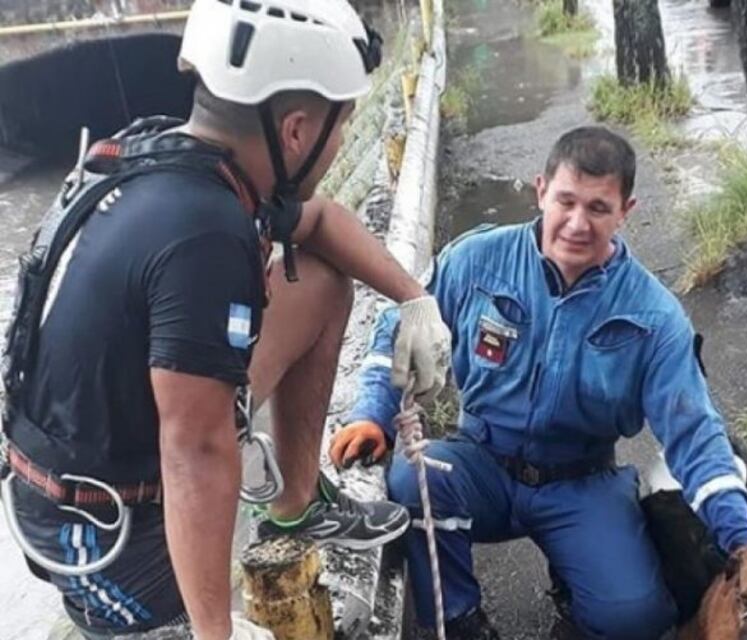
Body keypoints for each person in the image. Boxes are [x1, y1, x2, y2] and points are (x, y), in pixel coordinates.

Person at [0, 0, 451, 638]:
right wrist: (217, 631)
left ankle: (295, 505)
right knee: (188, 613)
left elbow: (321, 221)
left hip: (128, 427)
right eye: (342, 125)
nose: (341, 143)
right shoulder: (204, 230)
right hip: (94, 523)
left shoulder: (193, 160)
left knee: (322, 283)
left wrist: (414, 299)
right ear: (296, 132)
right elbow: (196, 449)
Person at [329, 126, 747, 640]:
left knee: (635, 619)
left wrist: (743, 540)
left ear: (625, 211)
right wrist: (372, 413)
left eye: (598, 208)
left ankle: (577, 600)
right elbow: (397, 327)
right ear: (541, 191)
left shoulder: (655, 316)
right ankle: (461, 619)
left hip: (581, 482)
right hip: (482, 463)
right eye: (566, 201)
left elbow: (694, 434)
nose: (577, 224)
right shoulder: (476, 260)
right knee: (414, 478)